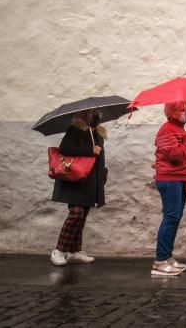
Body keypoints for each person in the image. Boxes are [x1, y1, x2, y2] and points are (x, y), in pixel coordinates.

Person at [50, 110, 107, 266]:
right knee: (76, 214)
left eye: (98, 113)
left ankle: (75, 251)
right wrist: (90, 150)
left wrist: (103, 174)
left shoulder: (97, 133)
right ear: (85, 115)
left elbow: (100, 157)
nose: (97, 115)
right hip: (75, 179)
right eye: (94, 113)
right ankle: (59, 251)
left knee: (82, 216)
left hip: (90, 180)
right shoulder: (75, 130)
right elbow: (65, 148)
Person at [151, 101, 186, 277]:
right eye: (182, 110)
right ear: (172, 112)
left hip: (179, 178)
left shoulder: (180, 130)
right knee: (170, 218)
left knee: (175, 218)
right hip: (170, 179)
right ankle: (160, 261)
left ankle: (167, 258)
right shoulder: (167, 129)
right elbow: (175, 156)